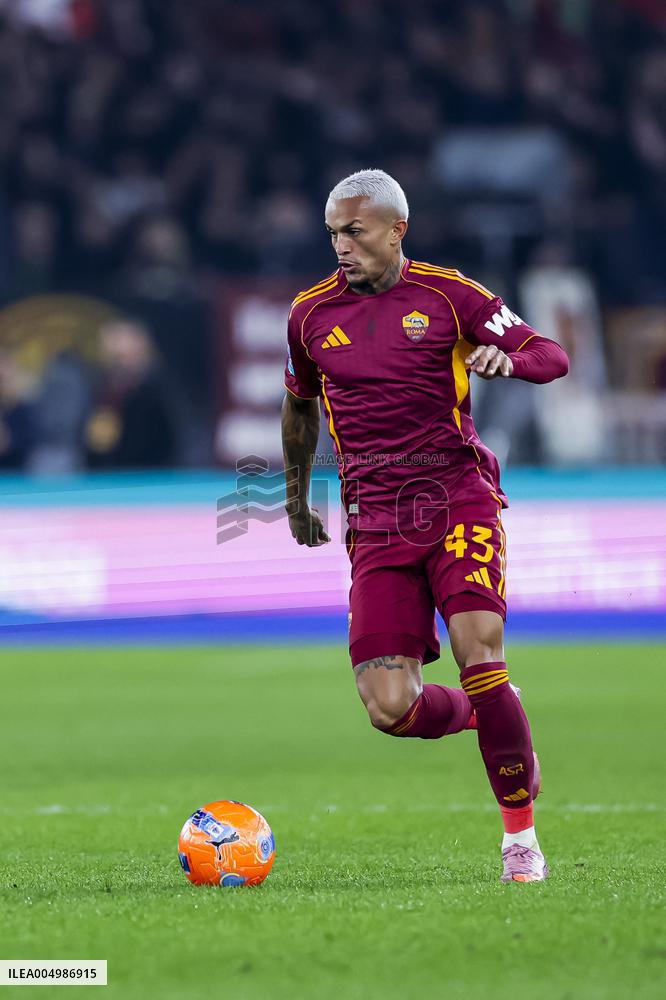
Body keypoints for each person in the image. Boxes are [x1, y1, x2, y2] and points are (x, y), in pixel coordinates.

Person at [281, 169, 568, 883]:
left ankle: (520, 842)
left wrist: (509, 360)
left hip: (456, 499)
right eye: (333, 234)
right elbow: (300, 406)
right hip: (376, 520)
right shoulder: (309, 315)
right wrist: (294, 495)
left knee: (480, 654)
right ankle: (490, 713)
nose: (341, 247)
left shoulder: (449, 295)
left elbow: (551, 355)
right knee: (389, 707)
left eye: (354, 232)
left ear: (396, 229)